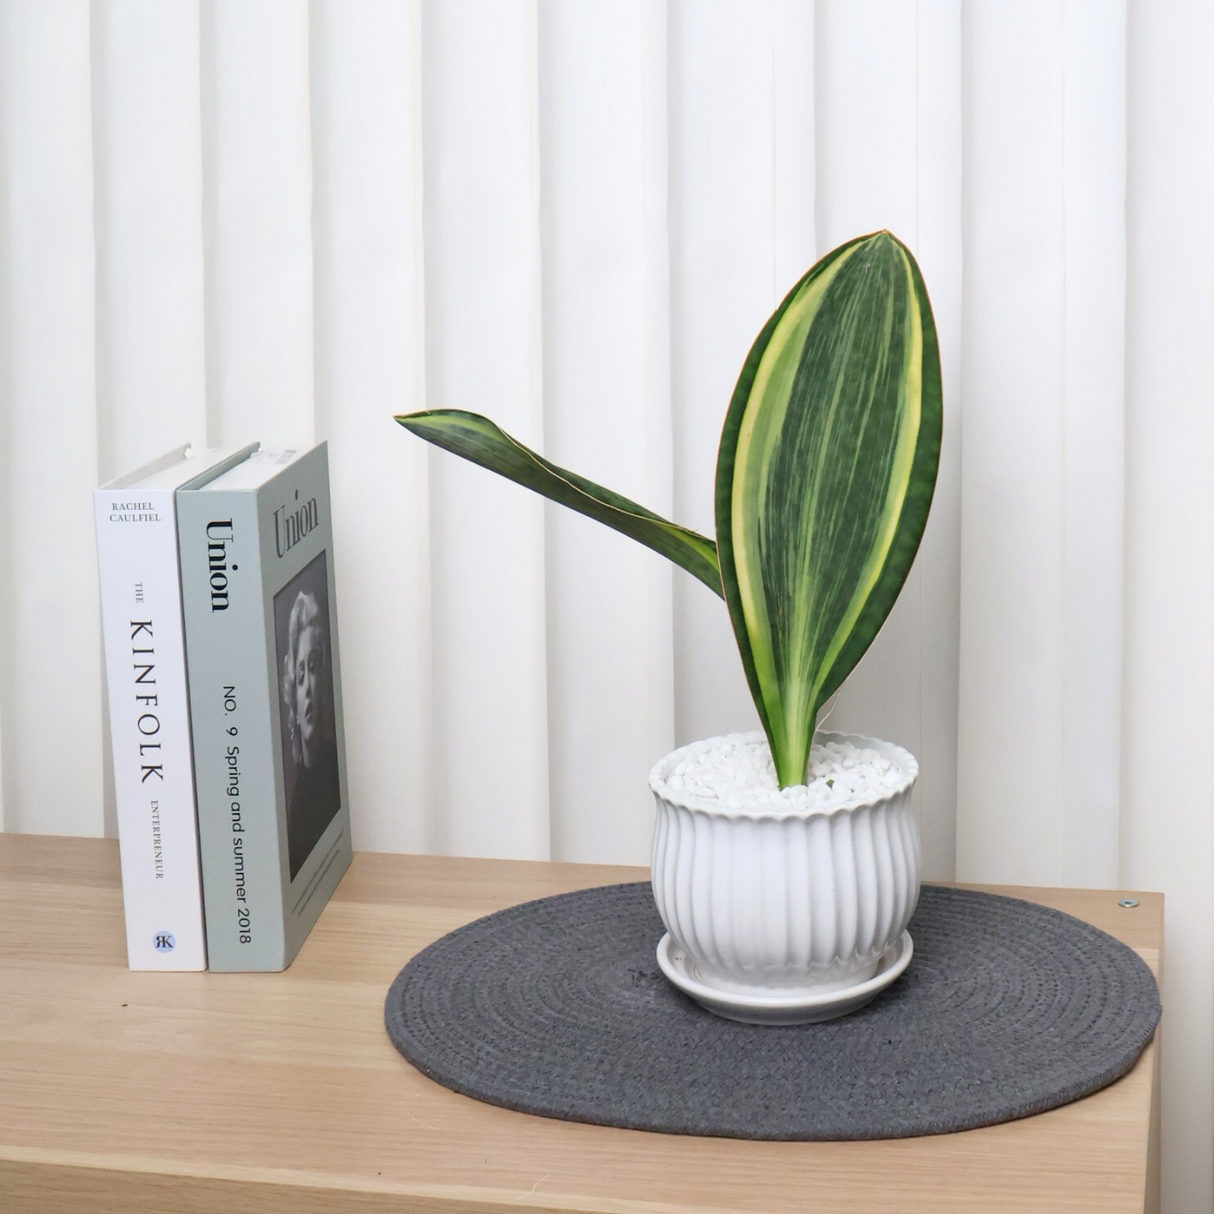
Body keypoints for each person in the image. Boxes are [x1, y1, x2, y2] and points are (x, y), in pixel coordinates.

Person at [280, 587, 340, 879]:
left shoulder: (334, 772)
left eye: (313, 668)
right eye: (300, 675)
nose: (306, 688)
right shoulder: (297, 807)